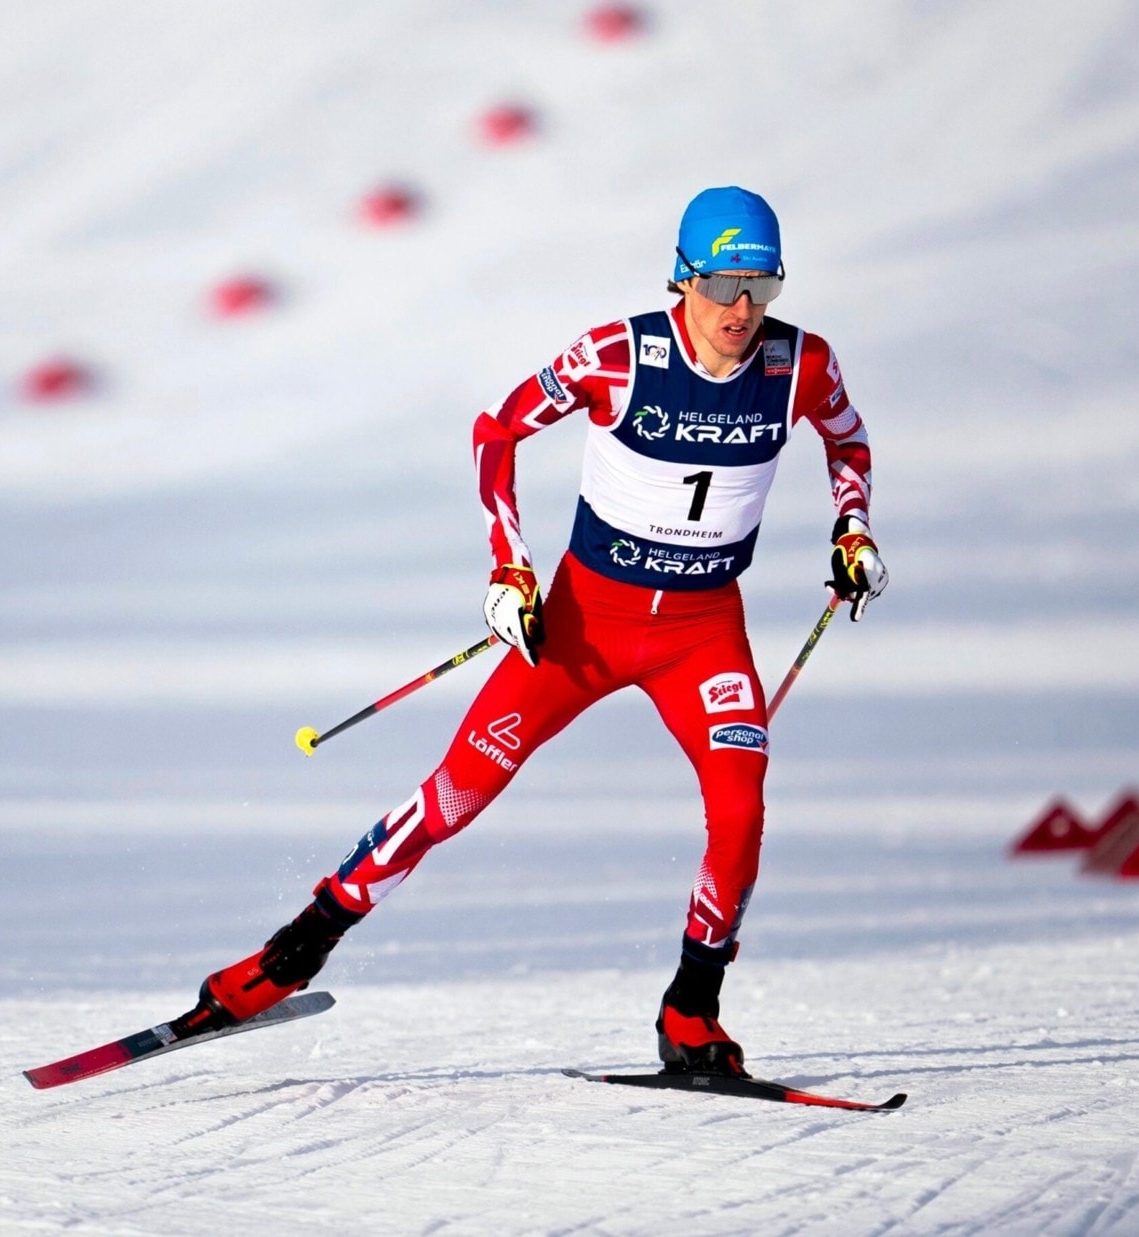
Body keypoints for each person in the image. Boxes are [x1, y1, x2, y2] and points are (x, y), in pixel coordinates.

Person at [180, 188, 886, 1077]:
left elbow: (849, 443)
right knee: (456, 796)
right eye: (721, 283)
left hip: (705, 632)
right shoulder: (619, 355)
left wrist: (851, 528)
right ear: (683, 276)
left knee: (741, 811)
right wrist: (509, 566)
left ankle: (691, 1012)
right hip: (585, 626)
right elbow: (498, 431)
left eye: (760, 285)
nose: (740, 310)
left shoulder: (801, 363)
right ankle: (285, 958)